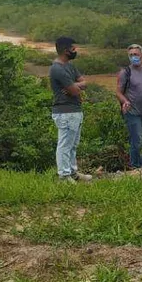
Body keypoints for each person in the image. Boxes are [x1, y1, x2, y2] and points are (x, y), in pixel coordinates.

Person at [49, 37, 92, 183]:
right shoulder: (57, 68)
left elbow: (83, 83)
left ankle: (73, 172)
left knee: (73, 144)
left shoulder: (70, 66)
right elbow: (74, 91)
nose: (75, 51)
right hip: (65, 111)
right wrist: (75, 86)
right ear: (65, 50)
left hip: (75, 110)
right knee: (65, 144)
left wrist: (74, 86)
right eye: (73, 48)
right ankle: (64, 175)